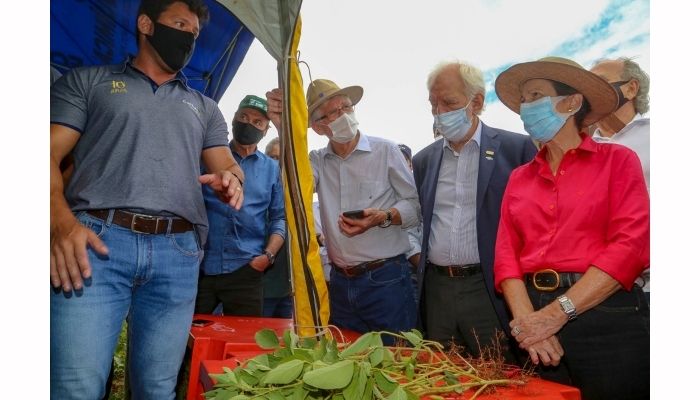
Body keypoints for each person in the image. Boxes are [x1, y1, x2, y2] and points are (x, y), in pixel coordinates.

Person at [50, 1, 245, 398]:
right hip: (94, 246)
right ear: (145, 24)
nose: (188, 38)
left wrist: (231, 178)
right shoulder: (89, 81)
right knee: (75, 385)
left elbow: (227, 164)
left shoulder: (205, 107)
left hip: (177, 253)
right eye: (178, 24)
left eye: (193, 33)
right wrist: (60, 224)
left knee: (157, 389)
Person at [493, 56, 649, 399]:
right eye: (523, 100)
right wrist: (527, 323)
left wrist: (556, 313)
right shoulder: (519, 178)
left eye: (535, 95)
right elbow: (506, 255)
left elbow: (630, 245)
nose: (524, 108)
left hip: (606, 318)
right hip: (533, 322)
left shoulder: (619, 161)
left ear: (572, 101)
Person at [266, 79, 421, 342]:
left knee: (396, 359)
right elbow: (294, 187)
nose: (344, 116)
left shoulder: (386, 151)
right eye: (333, 113)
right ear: (317, 127)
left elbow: (415, 205)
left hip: (387, 281)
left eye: (346, 107)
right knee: (348, 362)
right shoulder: (316, 161)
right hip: (340, 284)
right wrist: (284, 128)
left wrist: (383, 217)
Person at [412, 61, 537, 359]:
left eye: (449, 102)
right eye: (433, 104)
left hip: (490, 291)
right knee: (442, 375)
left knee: (498, 373)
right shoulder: (424, 161)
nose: (439, 112)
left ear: (476, 101)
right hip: (437, 290)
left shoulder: (517, 150)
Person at [195, 95, 286, 317]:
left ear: (266, 131)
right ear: (233, 119)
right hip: (201, 268)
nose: (249, 124)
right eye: (244, 117)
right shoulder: (206, 159)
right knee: (193, 342)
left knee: (246, 345)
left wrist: (268, 257)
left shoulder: (271, 170)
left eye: (258, 122)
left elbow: (279, 218)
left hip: (247, 269)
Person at [590, 57, 650, 302]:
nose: (589, 91)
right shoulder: (581, 151)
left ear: (631, 88)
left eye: (600, 82)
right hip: (601, 291)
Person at [261, 137, 294, 318]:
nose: (277, 165)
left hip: (288, 293)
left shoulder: (298, 201)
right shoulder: (256, 195)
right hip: (261, 291)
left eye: (283, 160)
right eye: (273, 158)